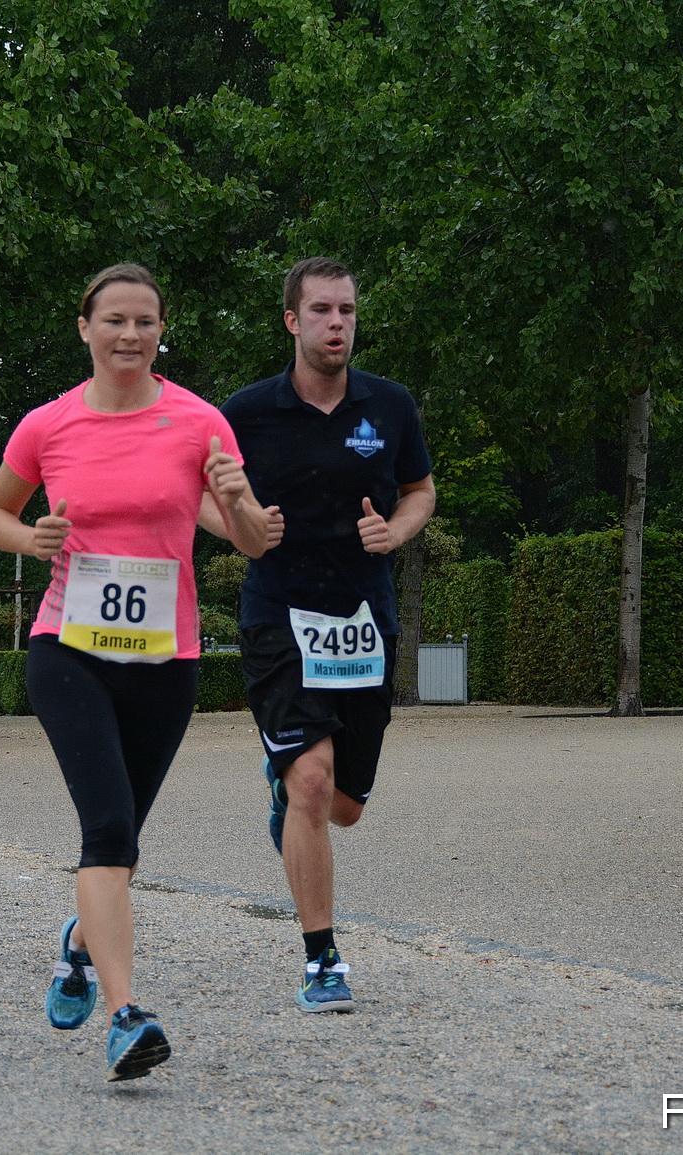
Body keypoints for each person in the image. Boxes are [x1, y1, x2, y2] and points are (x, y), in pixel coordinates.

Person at [0, 263, 270, 1080]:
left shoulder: (200, 422)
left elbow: (248, 540)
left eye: (145, 321)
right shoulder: (48, 425)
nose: (130, 335)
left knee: (123, 843)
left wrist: (241, 499)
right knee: (107, 830)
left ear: (161, 329)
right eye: (114, 320)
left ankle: (78, 944)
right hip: (67, 653)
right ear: (85, 329)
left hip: (165, 662)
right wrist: (26, 538)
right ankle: (126, 1015)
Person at [220, 257, 435, 1013]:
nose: (336, 323)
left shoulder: (390, 405)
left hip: (362, 619)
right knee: (310, 780)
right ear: (292, 320)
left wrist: (394, 533)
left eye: (346, 310)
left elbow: (421, 490)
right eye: (320, 310)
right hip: (279, 612)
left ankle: (289, 796)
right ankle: (322, 960)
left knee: (343, 804)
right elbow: (193, 494)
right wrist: (245, 530)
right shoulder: (245, 413)